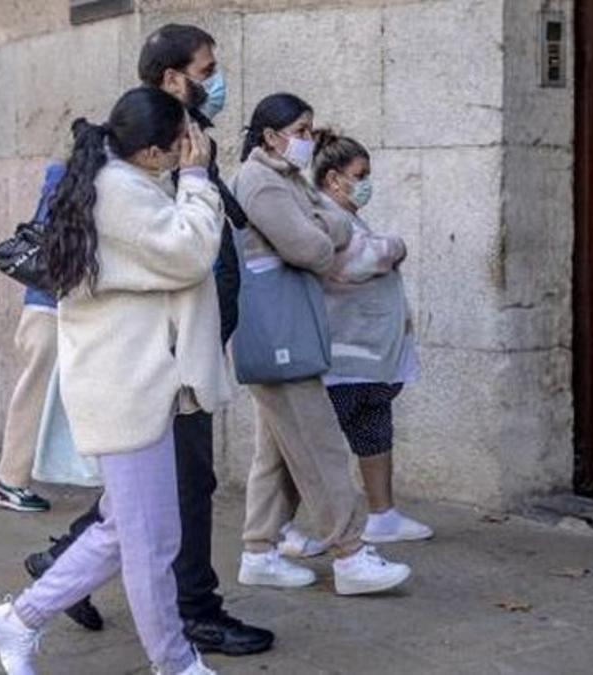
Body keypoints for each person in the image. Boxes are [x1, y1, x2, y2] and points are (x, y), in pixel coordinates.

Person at [22, 24, 274, 655]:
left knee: (136, 517)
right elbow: (185, 252)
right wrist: (195, 177)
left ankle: (40, 595)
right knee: (162, 515)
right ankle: (184, 633)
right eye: (207, 68)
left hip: (171, 365)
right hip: (149, 374)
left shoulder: (159, 157)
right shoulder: (141, 170)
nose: (218, 80)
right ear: (172, 79)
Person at [0, 87, 226, 675]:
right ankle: (175, 663)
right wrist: (196, 178)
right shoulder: (120, 192)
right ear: (152, 152)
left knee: (126, 529)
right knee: (150, 543)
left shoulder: (126, 182)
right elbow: (190, 251)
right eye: (180, 143)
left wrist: (182, 176)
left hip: (136, 384)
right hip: (125, 390)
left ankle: (17, 621)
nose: (190, 148)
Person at [230, 93, 411, 596]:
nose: (309, 140)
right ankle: (350, 555)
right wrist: (319, 232)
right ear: (271, 136)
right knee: (319, 445)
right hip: (278, 329)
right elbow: (312, 245)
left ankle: (259, 551)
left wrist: (320, 229)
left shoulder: (283, 179)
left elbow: (330, 222)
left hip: (291, 325)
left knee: (277, 452)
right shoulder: (260, 182)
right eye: (302, 130)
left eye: (309, 131)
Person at [278, 131, 431, 557]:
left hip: (370, 360)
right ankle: (279, 526)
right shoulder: (322, 217)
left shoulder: (351, 217)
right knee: (311, 449)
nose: (367, 183)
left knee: (374, 430)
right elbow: (354, 262)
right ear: (332, 180)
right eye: (359, 175)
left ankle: (383, 514)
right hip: (340, 358)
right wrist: (395, 246)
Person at [0, 163, 64, 513]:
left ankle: (13, 480)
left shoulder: (65, 174)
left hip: (49, 306)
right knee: (34, 392)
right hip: (48, 308)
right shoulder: (65, 177)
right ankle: (10, 481)